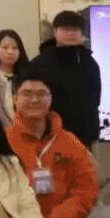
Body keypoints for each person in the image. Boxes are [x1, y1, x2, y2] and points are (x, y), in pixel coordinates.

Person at [6, 67, 100, 218]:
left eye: (42, 94)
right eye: (27, 94)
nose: (34, 100)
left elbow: (84, 192)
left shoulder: (69, 142)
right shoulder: (3, 142)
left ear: (51, 99)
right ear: (15, 98)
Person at [29, 11, 102, 149]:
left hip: (82, 137)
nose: (70, 33)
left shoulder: (89, 63)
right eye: (65, 29)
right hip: (49, 136)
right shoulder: (39, 63)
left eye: (75, 29)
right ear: (55, 32)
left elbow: (95, 100)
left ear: (81, 33)